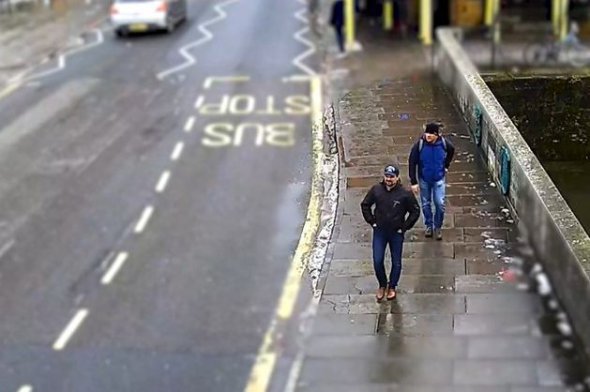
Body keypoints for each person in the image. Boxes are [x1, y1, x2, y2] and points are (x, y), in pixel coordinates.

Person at [360, 165, 420, 301]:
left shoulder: (405, 193)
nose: (389, 179)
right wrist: (372, 222)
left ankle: (392, 286)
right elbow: (365, 205)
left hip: (396, 233)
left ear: (397, 177)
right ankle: (382, 284)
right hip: (380, 231)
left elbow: (415, 211)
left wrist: (404, 227)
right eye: (387, 176)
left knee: (396, 262)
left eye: (392, 177)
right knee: (377, 260)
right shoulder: (376, 190)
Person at [408, 122, 455, 241]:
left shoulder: (444, 144)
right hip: (424, 179)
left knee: (439, 203)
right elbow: (412, 162)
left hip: (439, 178)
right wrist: (413, 182)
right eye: (426, 133)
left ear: (437, 135)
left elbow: (451, 150)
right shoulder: (419, 145)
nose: (428, 136)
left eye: (431, 134)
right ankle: (429, 225)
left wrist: (446, 166)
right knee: (426, 203)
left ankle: (438, 226)